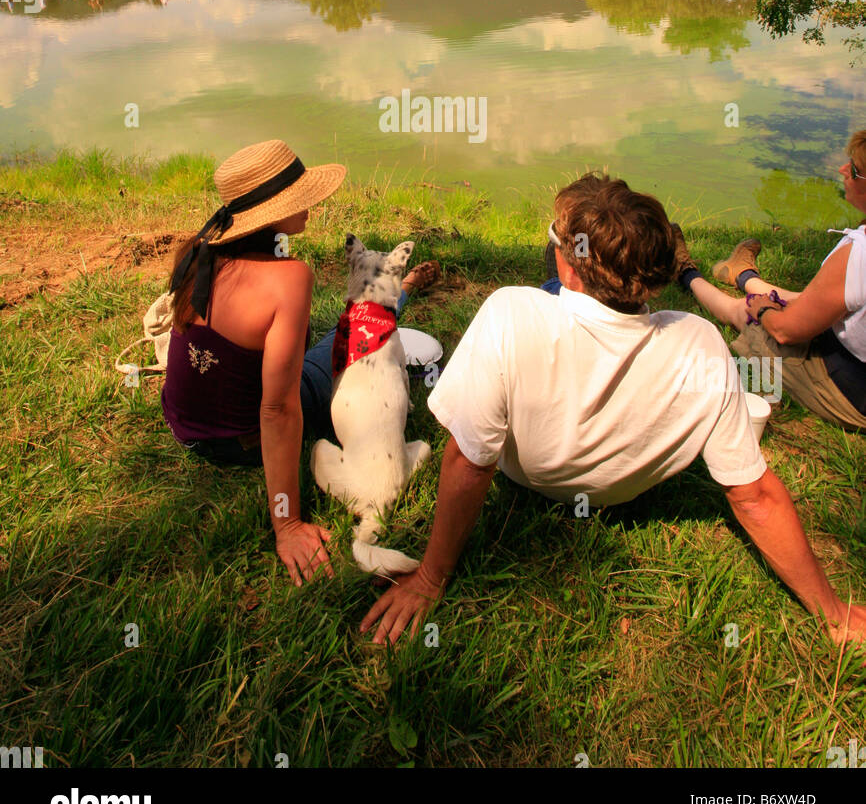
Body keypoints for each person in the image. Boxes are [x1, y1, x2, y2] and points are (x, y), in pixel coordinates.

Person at [361, 173, 866, 646]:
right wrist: (831, 610)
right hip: (623, 493)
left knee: (545, 298)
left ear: (567, 261)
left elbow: (471, 462)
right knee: (555, 298)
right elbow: (753, 493)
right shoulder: (699, 343)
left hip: (532, 474)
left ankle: (569, 288)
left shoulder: (508, 313)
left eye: (557, 242)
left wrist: (430, 576)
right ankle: (596, 285)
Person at [161, 139, 441, 585]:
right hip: (239, 440)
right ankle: (399, 288)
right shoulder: (290, 278)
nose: (312, 203)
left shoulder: (201, 250)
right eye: (300, 196)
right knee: (358, 325)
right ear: (270, 213)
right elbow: (278, 409)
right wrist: (286, 524)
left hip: (186, 428)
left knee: (344, 329)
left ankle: (400, 288)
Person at [671, 130, 866, 432]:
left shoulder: (859, 255)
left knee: (746, 312)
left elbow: (786, 331)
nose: (843, 170)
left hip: (850, 389)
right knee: (806, 299)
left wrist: (762, 310)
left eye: (854, 170)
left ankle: (685, 273)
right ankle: (743, 274)